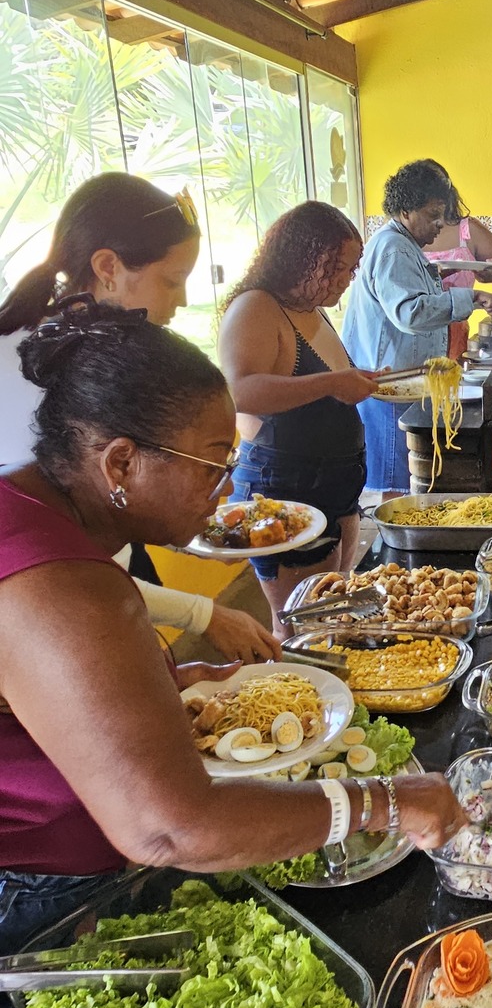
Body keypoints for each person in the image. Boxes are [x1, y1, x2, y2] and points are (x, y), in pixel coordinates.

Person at [0, 298, 464, 958]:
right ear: (121, 463)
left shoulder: (23, 507)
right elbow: (167, 828)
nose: (228, 488)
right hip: (37, 892)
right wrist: (384, 800)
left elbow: (41, 692)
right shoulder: (65, 585)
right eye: (215, 464)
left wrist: (166, 683)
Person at [0, 172, 278, 664]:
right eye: (171, 280)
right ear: (108, 266)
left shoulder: (87, 355)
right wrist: (202, 613)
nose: (182, 300)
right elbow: (51, 557)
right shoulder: (37, 377)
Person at [219, 201, 382, 628]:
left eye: (351, 269)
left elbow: (329, 385)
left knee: (332, 614)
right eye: (337, 268)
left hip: (337, 485)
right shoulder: (256, 307)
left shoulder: (310, 309)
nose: (347, 279)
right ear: (302, 259)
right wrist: (331, 383)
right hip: (286, 483)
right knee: (299, 624)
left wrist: (358, 381)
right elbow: (239, 391)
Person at [343, 160, 492, 491]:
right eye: (432, 215)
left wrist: (436, 276)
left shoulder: (403, 244)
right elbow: (410, 313)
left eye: (442, 215)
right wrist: (470, 297)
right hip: (390, 387)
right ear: (405, 210)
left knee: (405, 479)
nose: (440, 224)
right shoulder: (394, 248)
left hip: (399, 384)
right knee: (395, 487)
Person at [422, 166, 492, 363]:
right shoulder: (402, 238)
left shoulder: (467, 230)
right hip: (410, 337)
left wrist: (491, 274)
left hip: (455, 336)